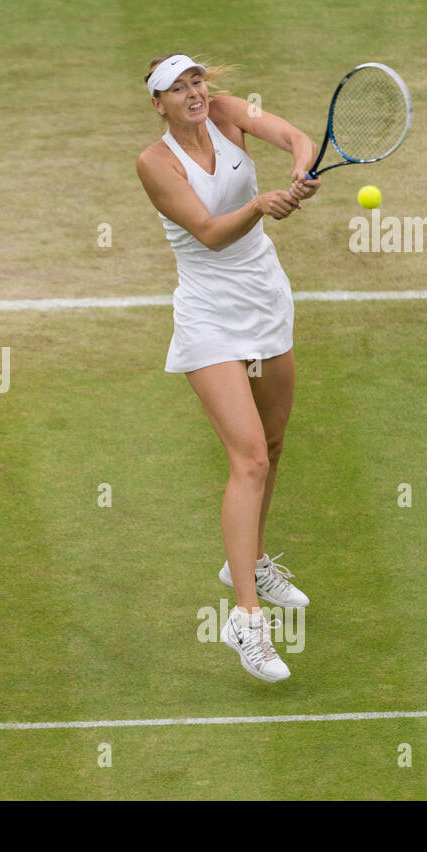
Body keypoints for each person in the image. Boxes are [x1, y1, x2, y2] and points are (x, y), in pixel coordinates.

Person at [135, 53, 318, 682]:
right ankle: (245, 620)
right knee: (250, 458)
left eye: (196, 83)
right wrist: (264, 205)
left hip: (265, 298)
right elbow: (211, 233)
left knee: (272, 441)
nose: (192, 94)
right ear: (156, 103)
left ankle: (252, 561)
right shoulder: (154, 163)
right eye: (176, 89)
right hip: (210, 315)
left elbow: (297, 137)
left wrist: (300, 167)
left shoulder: (231, 113)